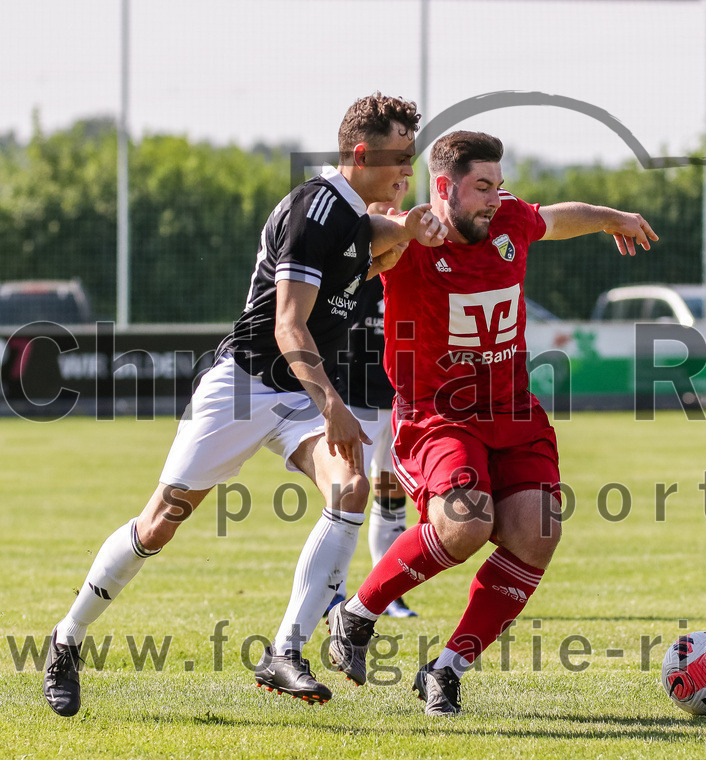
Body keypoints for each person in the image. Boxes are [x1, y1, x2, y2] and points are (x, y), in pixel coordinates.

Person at [42, 93, 447, 717]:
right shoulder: (314, 211)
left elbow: (381, 235)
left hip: (297, 397)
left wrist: (413, 227)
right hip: (243, 387)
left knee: (351, 490)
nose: (407, 168)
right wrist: (336, 407)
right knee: (160, 523)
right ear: (360, 154)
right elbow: (289, 327)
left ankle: (285, 650)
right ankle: (66, 638)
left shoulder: (352, 217)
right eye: (399, 156)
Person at [327, 130, 658, 716]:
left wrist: (614, 217)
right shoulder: (410, 238)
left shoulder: (510, 220)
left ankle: (446, 669)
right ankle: (356, 616)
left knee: (538, 534)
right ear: (444, 187)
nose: (493, 198)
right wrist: (398, 227)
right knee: (467, 524)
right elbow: (362, 249)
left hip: (513, 412)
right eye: (482, 187)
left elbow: (557, 216)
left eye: (498, 185)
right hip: (438, 418)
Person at [323, 180, 419, 621]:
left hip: (399, 397)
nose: (389, 206)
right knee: (346, 494)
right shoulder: (351, 250)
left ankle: (387, 592)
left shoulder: (411, 250)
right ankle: (333, 591)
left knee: (391, 494)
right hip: (355, 398)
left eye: (396, 198)